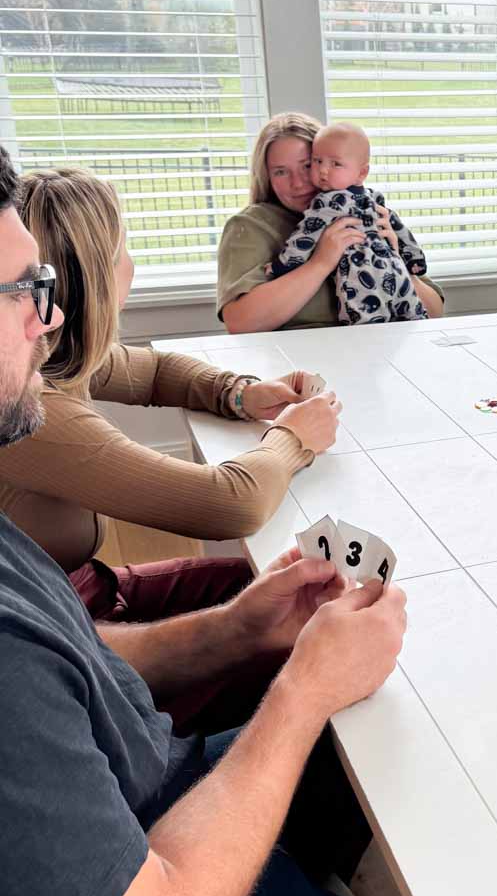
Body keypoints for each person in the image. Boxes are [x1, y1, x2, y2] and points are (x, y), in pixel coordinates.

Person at [0, 189, 497, 896]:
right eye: (26, 292)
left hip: (165, 873)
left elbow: (80, 664)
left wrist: (239, 630)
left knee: (338, 733)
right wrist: (296, 696)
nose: (52, 320)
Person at [3, 161, 340, 631]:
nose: (132, 263)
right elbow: (228, 504)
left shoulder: (54, 356)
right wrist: (292, 438)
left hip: (81, 592)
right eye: (124, 248)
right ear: (96, 275)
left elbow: (156, 371)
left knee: (283, 584)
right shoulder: (36, 412)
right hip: (64, 631)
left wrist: (239, 394)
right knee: (304, 608)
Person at [218, 110, 444, 333]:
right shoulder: (251, 226)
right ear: (266, 176)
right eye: (280, 172)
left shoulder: (368, 212)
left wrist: (397, 262)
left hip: (380, 346)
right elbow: (241, 322)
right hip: (301, 358)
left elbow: (434, 312)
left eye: (307, 166)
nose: (298, 183)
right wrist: (321, 262)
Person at [274, 120, 431, 325]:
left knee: (366, 322)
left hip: (362, 275)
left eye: (335, 164)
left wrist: (284, 264)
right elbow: (401, 230)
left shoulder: (328, 202)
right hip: (393, 275)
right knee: (412, 317)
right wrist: (415, 260)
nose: (323, 171)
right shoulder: (373, 198)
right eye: (317, 161)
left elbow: (305, 236)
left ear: (362, 173)